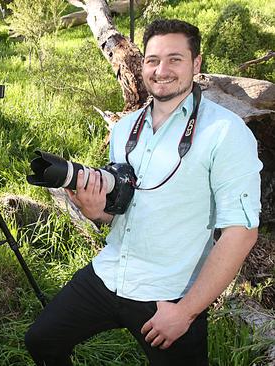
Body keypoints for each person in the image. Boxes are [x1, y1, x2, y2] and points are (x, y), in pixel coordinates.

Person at [25, 19, 262, 365]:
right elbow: (121, 208)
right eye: (152, 60)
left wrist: (186, 313)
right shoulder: (124, 129)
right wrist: (96, 211)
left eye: (174, 59)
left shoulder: (226, 132)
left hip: (172, 295)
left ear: (196, 64)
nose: (161, 70)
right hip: (110, 273)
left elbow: (241, 234)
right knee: (41, 341)